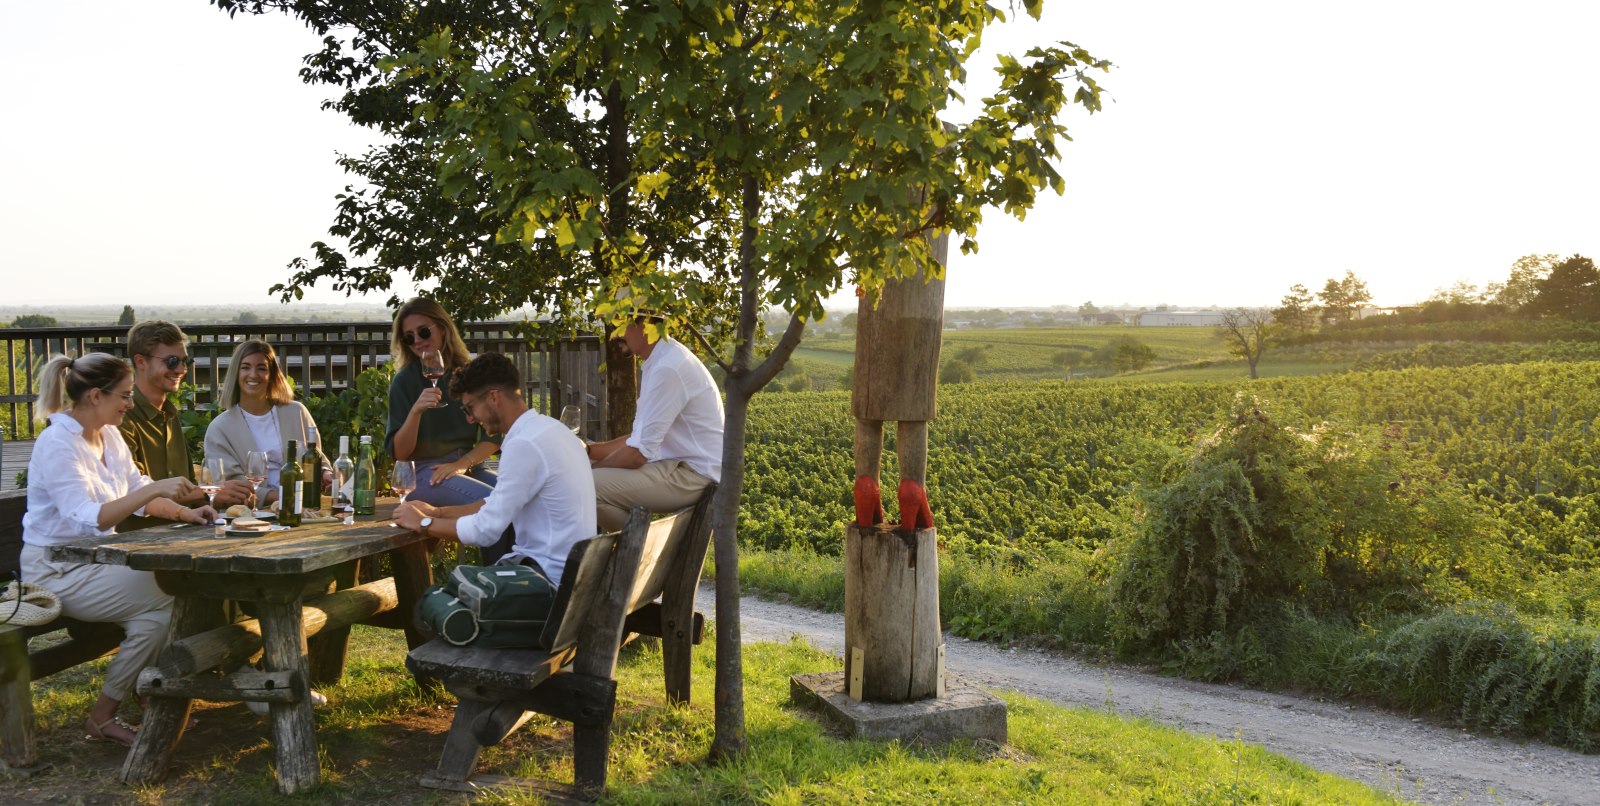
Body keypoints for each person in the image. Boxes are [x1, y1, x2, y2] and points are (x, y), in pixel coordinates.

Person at [21, 353, 216, 747]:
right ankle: (137, 698)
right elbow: (88, 516)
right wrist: (153, 489)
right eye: (124, 396)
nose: (130, 403)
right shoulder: (58, 443)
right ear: (95, 395)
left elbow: (137, 493)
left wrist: (186, 513)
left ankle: (111, 711)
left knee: (163, 608)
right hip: (55, 571)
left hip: (95, 561)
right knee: (167, 596)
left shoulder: (109, 434)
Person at [394, 353, 595, 579]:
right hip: (574, 578)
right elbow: (495, 502)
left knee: (433, 604)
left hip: (547, 583)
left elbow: (485, 530)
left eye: (469, 408)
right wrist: (438, 512)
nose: (470, 419)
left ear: (493, 398)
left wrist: (423, 522)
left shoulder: (524, 444)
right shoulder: (551, 430)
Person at [588, 312, 723, 532]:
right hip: (680, 467)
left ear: (647, 322)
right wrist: (589, 452)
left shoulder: (668, 368)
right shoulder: (664, 359)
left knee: (581, 487)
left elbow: (637, 455)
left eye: (621, 323)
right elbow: (638, 440)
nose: (615, 334)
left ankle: (644, 556)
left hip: (693, 476)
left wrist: (587, 471)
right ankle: (637, 554)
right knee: (587, 479)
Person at [120, 320, 253, 530]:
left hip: (180, 530)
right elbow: (131, 491)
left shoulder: (169, 415)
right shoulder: (122, 417)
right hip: (137, 538)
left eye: (185, 361)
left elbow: (188, 489)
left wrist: (222, 496)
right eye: (172, 361)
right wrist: (212, 491)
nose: (181, 369)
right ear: (141, 362)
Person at [386, 298, 500, 508]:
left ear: (443, 329)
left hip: (471, 465)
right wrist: (416, 412)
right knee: (495, 506)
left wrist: (461, 464)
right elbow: (400, 453)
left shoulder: (469, 374)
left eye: (424, 332)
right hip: (426, 472)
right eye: (409, 337)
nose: (418, 340)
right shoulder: (404, 382)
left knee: (525, 500)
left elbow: (495, 434)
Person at [204, 339, 326, 507]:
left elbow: (317, 458)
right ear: (235, 373)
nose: (253, 375)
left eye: (261, 368)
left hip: (303, 509)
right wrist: (284, 497)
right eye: (245, 367)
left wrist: (326, 474)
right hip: (252, 513)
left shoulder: (296, 412)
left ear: (272, 375)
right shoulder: (219, 428)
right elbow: (231, 484)